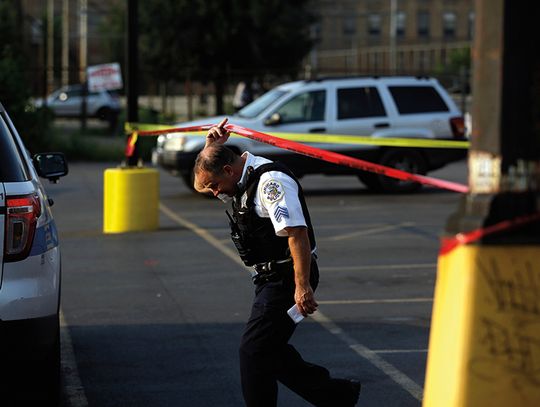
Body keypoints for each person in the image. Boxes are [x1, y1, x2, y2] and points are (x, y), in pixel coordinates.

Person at [193, 118, 361, 407]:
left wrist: (302, 287)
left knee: (253, 351)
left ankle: (333, 395)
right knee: (269, 350)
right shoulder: (236, 176)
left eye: (215, 186)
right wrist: (210, 147)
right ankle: (336, 395)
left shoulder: (271, 184)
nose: (215, 193)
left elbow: (297, 234)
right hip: (268, 277)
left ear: (229, 171)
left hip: (287, 277)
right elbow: (202, 178)